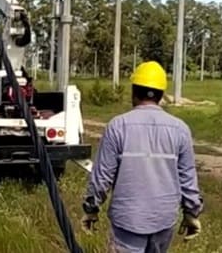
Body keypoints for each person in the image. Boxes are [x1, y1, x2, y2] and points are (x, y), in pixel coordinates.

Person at [81, 61, 204, 252]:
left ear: (134, 91)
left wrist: (91, 209)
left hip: (127, 220)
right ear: (161, 95)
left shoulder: (117, 126)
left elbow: (102, 177)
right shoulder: (180, 129)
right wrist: (192, 213)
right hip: (164, 220)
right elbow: (188, 178)